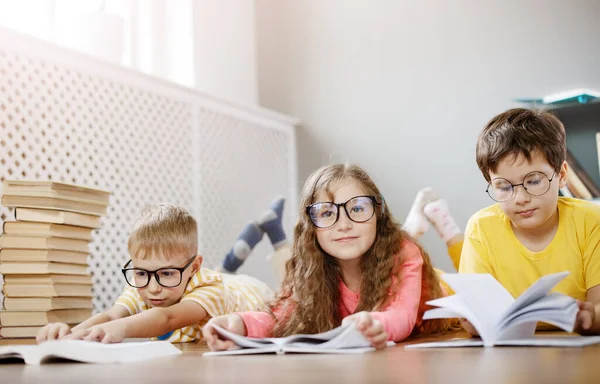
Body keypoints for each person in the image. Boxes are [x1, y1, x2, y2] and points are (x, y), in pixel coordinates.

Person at [202, 163, 452, 351]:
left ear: (378, 214)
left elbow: (401, 315)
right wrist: (239, 325)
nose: (343, 224)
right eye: (326, 213)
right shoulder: (311, 265)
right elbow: (282, 316)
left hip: (442, 296)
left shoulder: (403, 252)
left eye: (357, 208)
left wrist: (374, 323)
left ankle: (425, 220)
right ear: (311, 226)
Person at [36, 202, 286, 343]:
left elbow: (168, 318)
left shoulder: (209, 286)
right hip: (201, 281)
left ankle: (275, 236)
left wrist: (120, 330)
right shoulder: (143, 284)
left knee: (288, 287)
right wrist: (71, 333)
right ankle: (235, 254)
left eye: (166, 273)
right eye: (142, 273)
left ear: (194, 267)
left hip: (250, 292)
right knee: (213, 274)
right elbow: (112, 316)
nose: (153, 288)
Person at [459, 108, 600, 335]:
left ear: (562, 175)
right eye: (504, 187)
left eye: (534, 181)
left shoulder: (591, 222)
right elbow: (475, 313)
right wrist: (474, 320)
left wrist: (590, 317)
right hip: (508, 353)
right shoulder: (481, 228)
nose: (521, 199)